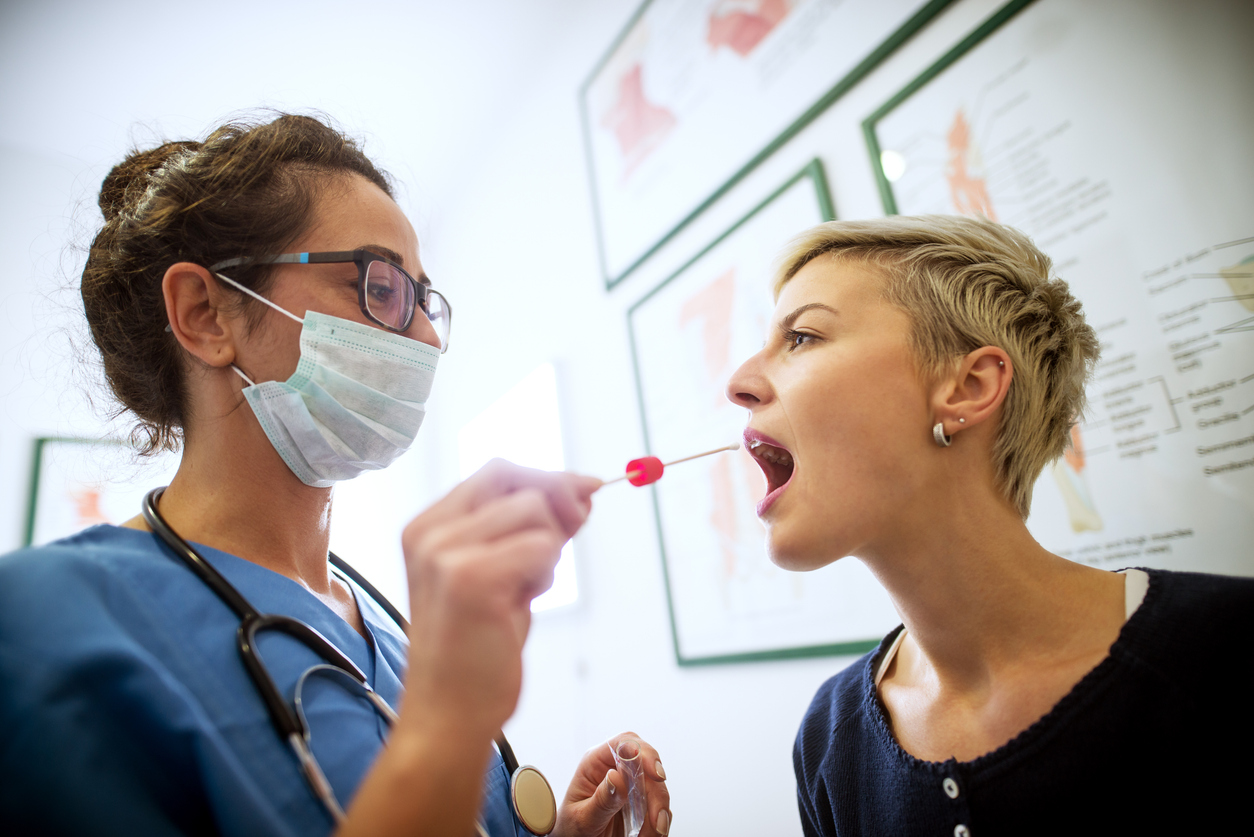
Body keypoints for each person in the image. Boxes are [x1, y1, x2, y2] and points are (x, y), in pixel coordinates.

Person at [0, 113, 671, 837]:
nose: (429, 337)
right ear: (205, 314)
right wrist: (446, 722)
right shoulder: (47, 623)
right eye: (381, 286)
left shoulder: (390, 626)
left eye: (425, 298)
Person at [724, 215, 1254, 835]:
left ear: (969, 387)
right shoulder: (828, 738)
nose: (738, 384)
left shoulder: (1228, 652)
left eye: (804, 337)